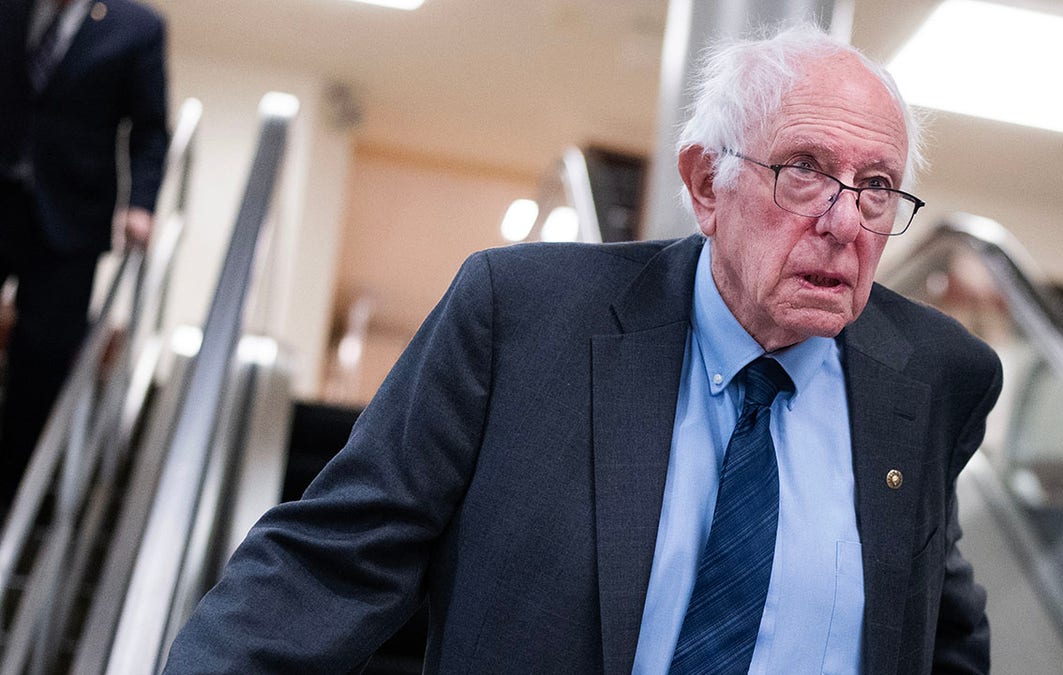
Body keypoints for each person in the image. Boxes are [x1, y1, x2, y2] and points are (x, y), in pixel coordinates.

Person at [166, 22, 1001, 674]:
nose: (845, 222)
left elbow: (938, 627)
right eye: (806, 170)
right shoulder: (523, 319)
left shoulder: (931, 376)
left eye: (878, 186)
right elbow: (331, 565)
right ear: (708, 183)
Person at [0, 0, 169, 510]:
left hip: (70, 219)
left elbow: (150, 129)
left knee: (44, 357)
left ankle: (11, 495)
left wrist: (141, 204)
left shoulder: (137, 27)